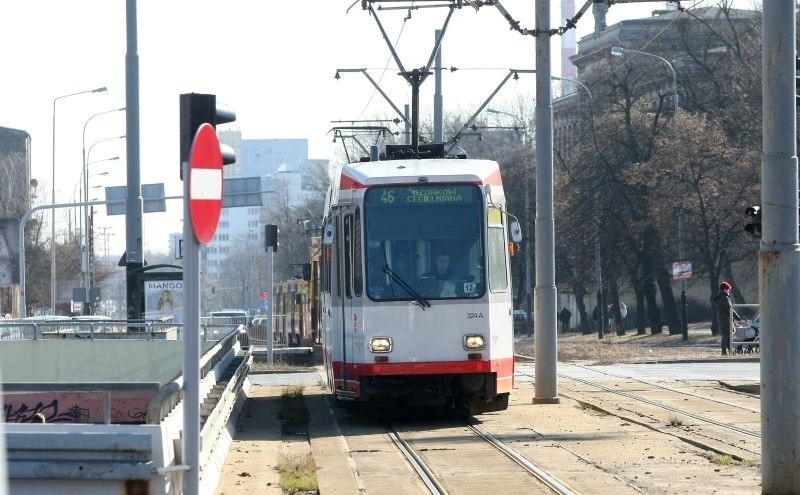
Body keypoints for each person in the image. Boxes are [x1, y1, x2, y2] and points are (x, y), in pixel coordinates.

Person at [711, 281, 741, 356]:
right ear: (724, 289)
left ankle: (730, 351)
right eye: (728, 289)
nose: (729, 290)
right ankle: (724, 352)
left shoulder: (722, 297)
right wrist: (737, 317)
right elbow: (730, 309)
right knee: (726, 336)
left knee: (727, 336)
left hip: (723, 319)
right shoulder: (724, 298)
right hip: (726, 320)